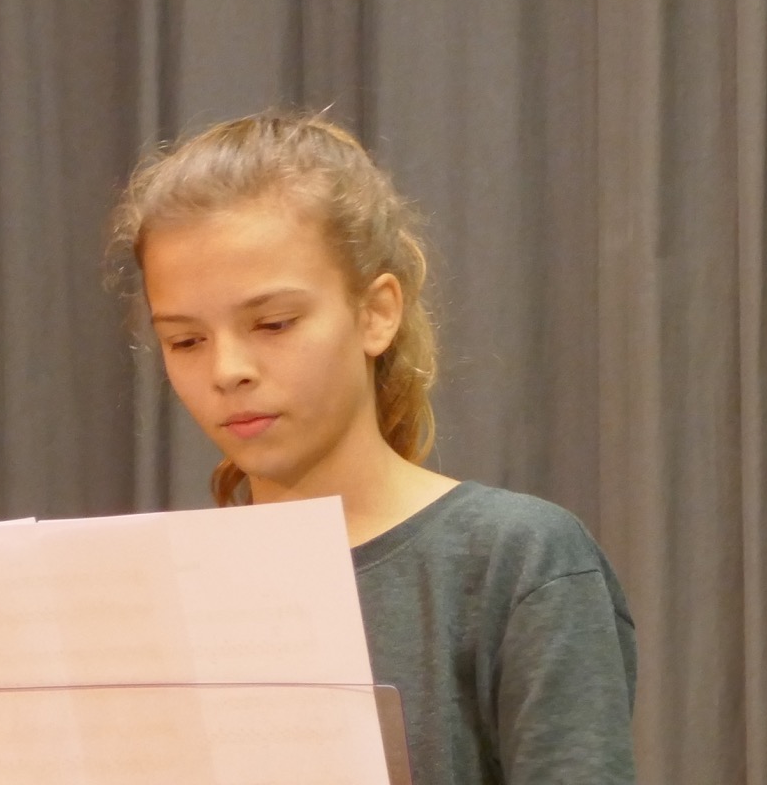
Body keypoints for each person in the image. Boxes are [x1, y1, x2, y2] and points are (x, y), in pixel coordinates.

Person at [109, 110, 637, 784]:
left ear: (377, 312)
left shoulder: (517, 561)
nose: (227, 370)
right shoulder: (155, 595)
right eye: (186, 341)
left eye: (274, 323)